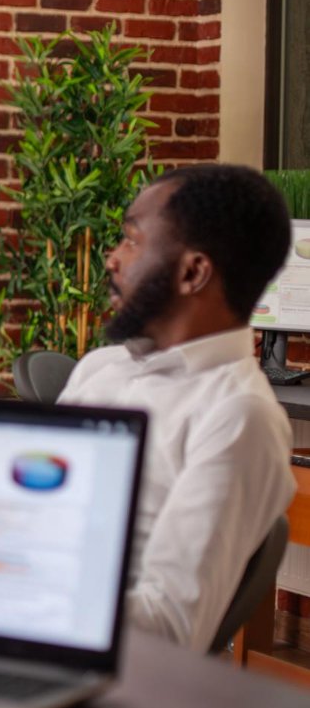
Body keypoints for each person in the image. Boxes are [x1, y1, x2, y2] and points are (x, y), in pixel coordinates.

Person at [59, 164, 296, 652]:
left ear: (193, 272)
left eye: (132, 241)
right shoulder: (102, 369)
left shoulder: (238, 415)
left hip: (100, 681)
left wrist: (16, 594)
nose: (111, 259)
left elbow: (169, 628)